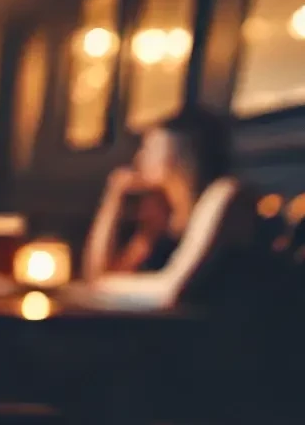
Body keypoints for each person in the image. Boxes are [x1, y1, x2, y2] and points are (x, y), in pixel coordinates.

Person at [74, 108, 253, 309]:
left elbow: (174, 290)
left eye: (149, 147)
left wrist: (101, 285)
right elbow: (98, 272)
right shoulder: (162, 212)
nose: (139, 157)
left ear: (179, 149)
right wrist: (113, 199)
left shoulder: (223, 194)